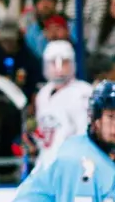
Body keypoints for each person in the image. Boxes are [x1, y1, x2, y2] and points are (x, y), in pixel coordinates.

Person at [31, 40, 92, 168]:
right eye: (53, 63)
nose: (59, 69)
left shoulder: (83, 92)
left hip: (71, 163)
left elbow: (85, 133)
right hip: (45, 161)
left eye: (64, 62)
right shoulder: (43, 93)